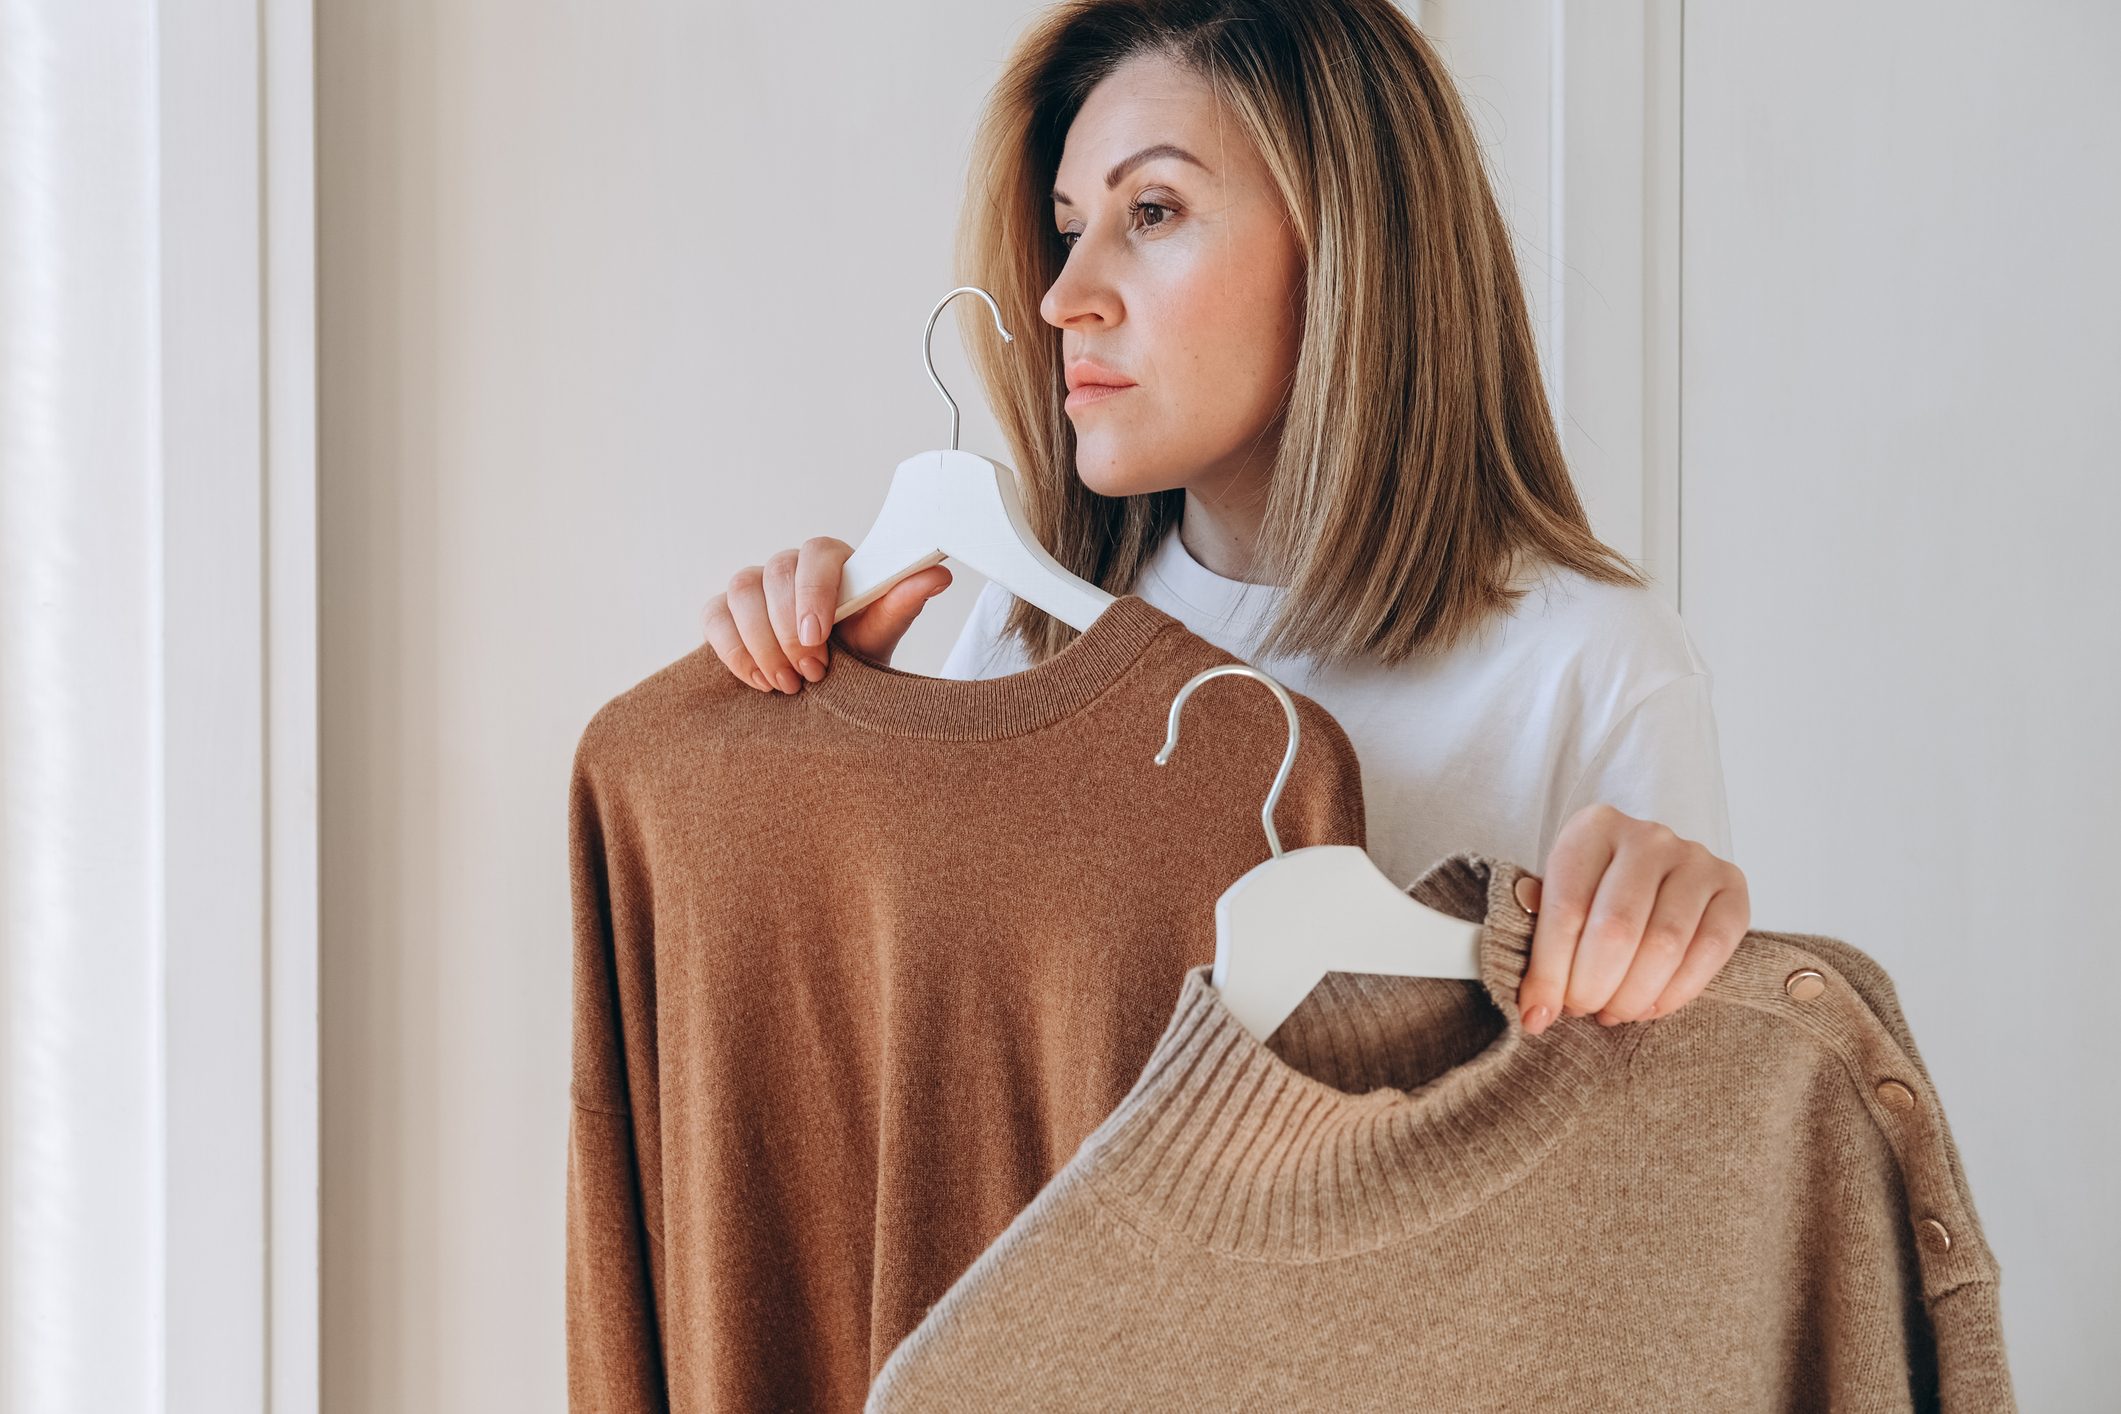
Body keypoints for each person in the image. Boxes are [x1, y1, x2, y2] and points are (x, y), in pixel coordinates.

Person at [700, 0, 1748, 1037]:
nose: (1065, 296)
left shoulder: (1592, 666)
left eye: (1151, 212)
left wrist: (1685, 946)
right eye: (1068, 230)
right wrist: (819, 744)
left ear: (1353, 243)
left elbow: (1658, 1164)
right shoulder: (1025, 634)